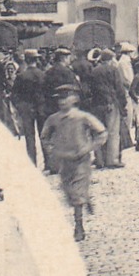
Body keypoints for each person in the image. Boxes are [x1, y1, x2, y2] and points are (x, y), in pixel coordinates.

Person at [40, 84, 108, 242]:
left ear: (75, 99)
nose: (62, 102)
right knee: (68, 192)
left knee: (76, 194)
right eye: (59, 99)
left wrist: (89, 148)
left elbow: (102, 132)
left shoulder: (82, 117)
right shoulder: (54, 119)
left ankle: (79, 227)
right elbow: (44, 137)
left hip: (81, 160)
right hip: (64, 161)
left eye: (66, 98)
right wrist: (52, 150)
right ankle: (85, 198)